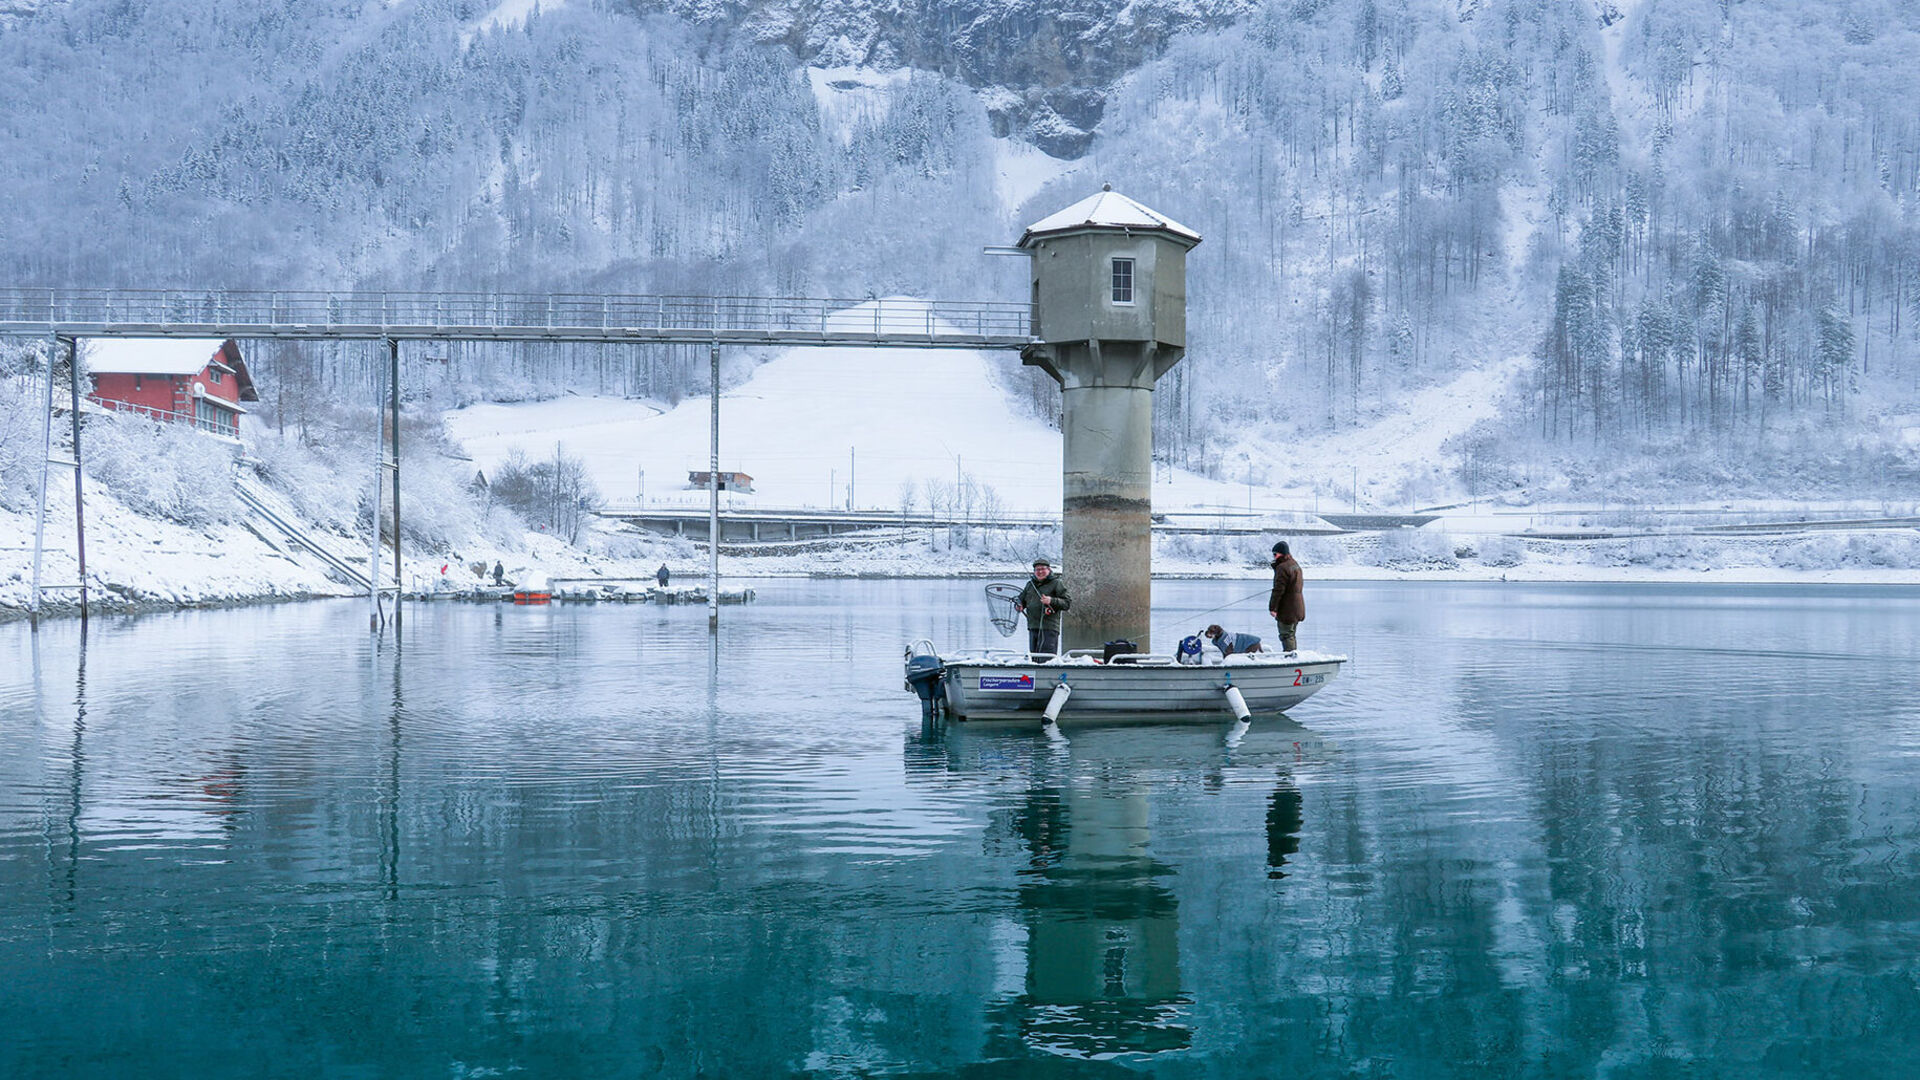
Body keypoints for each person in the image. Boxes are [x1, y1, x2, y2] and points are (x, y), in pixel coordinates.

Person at [1015, 557, 1071, 656]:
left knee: (1047, 659)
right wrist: (1019, 605)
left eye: (1043, 569)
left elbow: (1067, 603)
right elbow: (1021, 599)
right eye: (1037, 570)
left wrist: (1051, 600)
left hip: (1049, 628)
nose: (1040, 571)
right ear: (1034, 572)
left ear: (1049, 570)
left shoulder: (1056, 583)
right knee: (1034, 658)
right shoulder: (1030, 584)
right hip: (1033, 627)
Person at [1268, 540, 1305, 652]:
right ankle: (1293, 656)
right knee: (1291, 634)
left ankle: (1291, 659)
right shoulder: (1295, 564)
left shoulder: (1282, 567)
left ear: (1282, 553)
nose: (1274, 557)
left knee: (1286, 635)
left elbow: (1278, 590)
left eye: (1275, 554)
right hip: (1298, 606)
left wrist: (1273, 608)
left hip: (1287, 608)